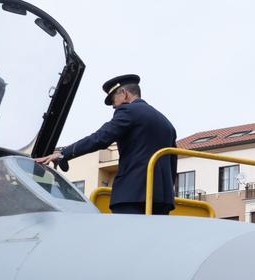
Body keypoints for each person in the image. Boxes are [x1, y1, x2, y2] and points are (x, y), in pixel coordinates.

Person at [35, 74, 176, 215]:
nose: (114, 106)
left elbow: (100, 138)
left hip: (132, 196)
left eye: (113, 100)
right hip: (162, 199)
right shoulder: (166, 123)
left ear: (124, 93)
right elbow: (172, 162)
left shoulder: (128, 111)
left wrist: (63, 154)